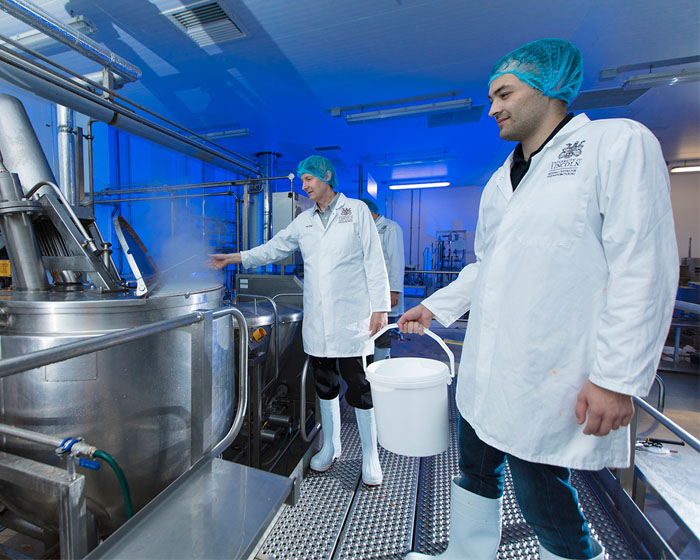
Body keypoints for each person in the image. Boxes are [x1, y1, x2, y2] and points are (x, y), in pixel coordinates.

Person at [400, 38, 678, 560]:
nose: (493, 109)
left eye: (503, 93)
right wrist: (436, 305)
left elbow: (643, 267)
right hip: (486, 364)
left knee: (538, 486)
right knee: (475, 465)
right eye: (490, 98)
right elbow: (487, 267)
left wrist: (617, 380)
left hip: (550, 368)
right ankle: (465, 553)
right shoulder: (497, 183)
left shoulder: (614, 145)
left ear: (550, 89)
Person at [210, 155, 391, 486]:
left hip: (353, 320)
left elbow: (374, 261)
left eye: (308, 180)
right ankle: (331, 446)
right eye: (303, 180)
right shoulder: (304, 221)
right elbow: (274, 248)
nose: (303, 186)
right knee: (325, 385)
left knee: (360, 389)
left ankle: (370, 456)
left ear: (326, 178)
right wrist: (236, 257)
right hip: (319, 322)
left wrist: (380, 308)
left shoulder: (357, 212)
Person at [361, 198, 405, 360]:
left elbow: (396, 262)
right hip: (369, 293)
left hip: (387, 291)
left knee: (382, 333)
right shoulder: (367, 229)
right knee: (371, 332)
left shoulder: (390, 228)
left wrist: (394, 291)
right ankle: (369, 369)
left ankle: (380, 368)